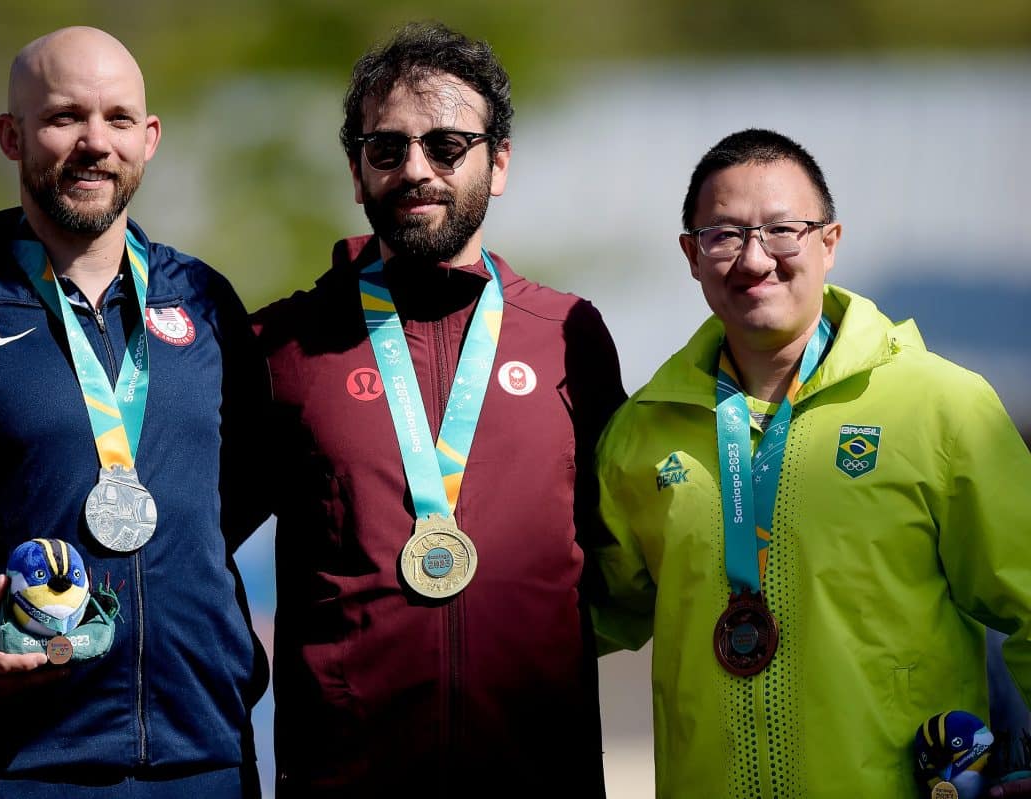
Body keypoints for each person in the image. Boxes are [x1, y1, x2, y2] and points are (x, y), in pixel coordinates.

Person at [0, 26, 268, 799]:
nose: (95, 142)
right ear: (11, 134)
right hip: (15, 768)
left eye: (119, 119)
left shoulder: (204, 303)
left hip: (207, 759)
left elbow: (228, 499)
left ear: (150, 137)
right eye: (65, 116)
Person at [592, 127, 1031, 797]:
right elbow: (585, 613)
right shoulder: (643, 432)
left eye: (782, 231)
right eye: (724, 235)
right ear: (691, 254)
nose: (754, 258)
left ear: (829, 242)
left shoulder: (943, 407)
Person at [252, 21, 625, 798]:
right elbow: (187, 541)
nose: (416, 168)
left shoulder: (570, 336)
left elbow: (633, 556)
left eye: (448, 146)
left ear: (499, 164)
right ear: (357, 172)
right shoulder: (284, 345)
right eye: (386, 149)